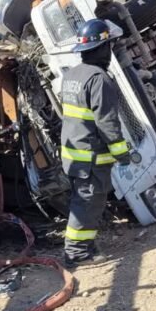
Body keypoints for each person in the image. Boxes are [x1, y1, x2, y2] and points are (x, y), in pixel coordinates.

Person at [60, 18, 132, 266]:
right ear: (102, 48)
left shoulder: (72, 75)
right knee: (87, 203)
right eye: (110, 45)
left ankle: (84, 245)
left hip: (73, 154)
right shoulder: (99, 78)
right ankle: (76, 252)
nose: (111, 51)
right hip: (90, 157)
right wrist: (122, 154)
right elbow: (107, 122)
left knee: (84, 201)